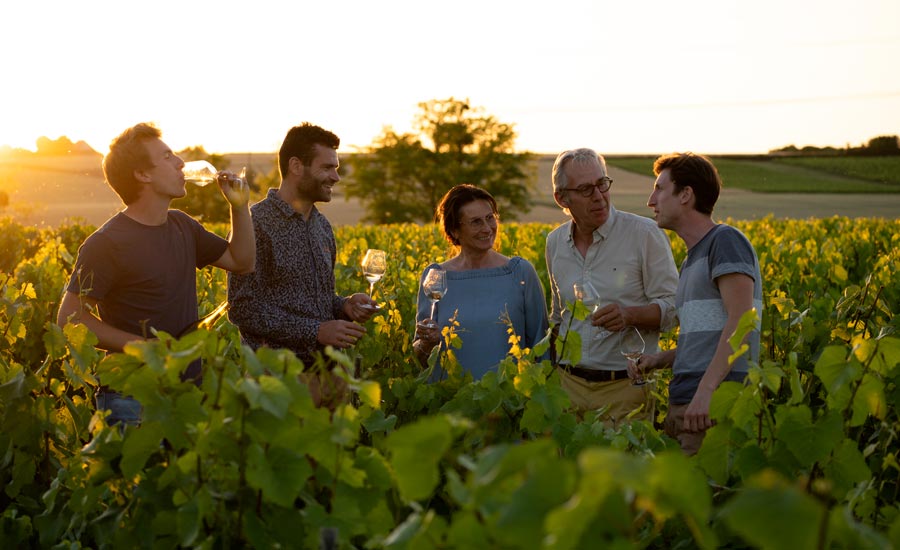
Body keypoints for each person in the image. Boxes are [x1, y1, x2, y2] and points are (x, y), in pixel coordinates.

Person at [57, 122, 255, 425]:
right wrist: (144, 347)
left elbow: (242, 261)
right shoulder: (106, 244)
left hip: (185, 391)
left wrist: (240, 207)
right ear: (143, 174)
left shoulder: (183, 226)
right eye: (167, 157)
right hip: (130, 398)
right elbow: (69, 320)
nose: (180, 163)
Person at [227, 123, 377, 406]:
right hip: (279, 382)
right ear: (296, 166)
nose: (336, 176)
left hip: (330, 376)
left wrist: (344, 306)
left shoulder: (322, 226)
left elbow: (317, 302)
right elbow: (242, 307)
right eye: (327, 167)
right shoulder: (255, 224)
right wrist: (315, 330)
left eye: (336, 167)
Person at [638, 152, 763, 454]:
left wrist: (706, 393)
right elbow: (710, 336)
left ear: (685, 195)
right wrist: (661, 359)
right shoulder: (693, 259)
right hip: (689, 400)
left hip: (711, 403)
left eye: (659, 188)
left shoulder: (725, 241)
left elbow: (741, 321)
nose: (650, 201)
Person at [545, 148, 678, 426]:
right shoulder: (555, 243)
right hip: (567, 388)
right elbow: (559, 317)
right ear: (562, 198)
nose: (598, 196)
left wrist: (629, 315)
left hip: (625, 389)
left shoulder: (645, 234)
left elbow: (675, 308)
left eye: (602, 184)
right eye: (585, 189)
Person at [413, 184, 549, 381]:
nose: (487, 228)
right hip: (450, 404)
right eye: (476, 222)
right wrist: (426, 344)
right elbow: (420, 354)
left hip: (509, 403)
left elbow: (540, 346)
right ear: (454, 230)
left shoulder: (520, 272)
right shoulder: (436, 275)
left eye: (490, 218)